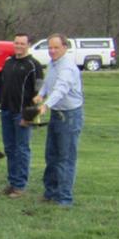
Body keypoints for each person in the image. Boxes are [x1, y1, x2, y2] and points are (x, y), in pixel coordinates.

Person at [0, 32, 43, 198]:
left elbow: (39, 92)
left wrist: (29, 115)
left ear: (28, 45)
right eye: (16, 43)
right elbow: (2, 87)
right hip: (6, 111)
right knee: (10, 149)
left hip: (22, 113)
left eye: (22, 43)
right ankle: (12, 183)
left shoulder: (34, 65)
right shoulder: (8, 62)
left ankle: (20, 186)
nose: (19, 46)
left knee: (22, 149)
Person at [36, 34, 85, 207]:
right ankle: (50, 193)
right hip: (57, 114)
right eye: (50, 47)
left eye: (56, 47)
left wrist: (46, 105)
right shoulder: (53, 64)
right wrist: (40, 94)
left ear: (65, 47)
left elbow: (60, 89)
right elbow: (49, 84)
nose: (52, 51)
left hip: (70, 116)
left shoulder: (68, 68)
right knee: (51, 155)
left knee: (65, 158)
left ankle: (64, 199)